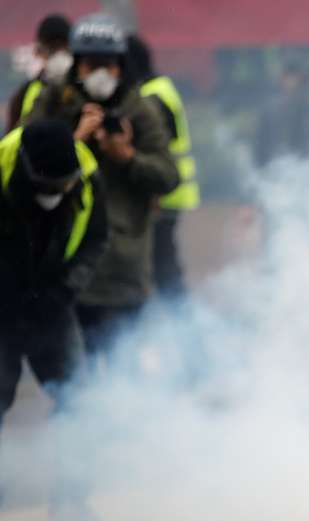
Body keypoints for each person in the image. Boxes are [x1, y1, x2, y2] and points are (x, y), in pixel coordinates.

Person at [26, 13, 179, 362]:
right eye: (92, 64)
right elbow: (22, 161)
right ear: (77, 65)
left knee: (120, 372)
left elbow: (168, 176)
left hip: (123, 270)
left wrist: (127, 157)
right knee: (72, 378)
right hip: (64, 273)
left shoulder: (138, 109)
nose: (100, 74)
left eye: (108, 65)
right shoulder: (52, 104)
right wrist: (72, 141)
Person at [0, 120, 107, 426]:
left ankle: (77, 468)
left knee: (78, 396)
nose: (58, 192)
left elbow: (96, 239)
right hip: (3, 309)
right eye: (50, 187)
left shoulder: (86, 176)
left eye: (65, 185)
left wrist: (63, 290)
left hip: (53, 302)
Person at [127, 34, 198, 299]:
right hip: (171, 193)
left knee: (163, 266)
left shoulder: (152, 97)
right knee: (164, 263)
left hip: (164, 195)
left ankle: (181, 321)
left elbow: (156, 151)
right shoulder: (161, 89)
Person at [253, 57, 309, 167]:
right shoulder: (271, 113)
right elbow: (261, 151)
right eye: (290, 78)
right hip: (278, 175)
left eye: (300, 80)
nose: (293, 84)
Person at [5, 14, 72, 133]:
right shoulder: (25, 93)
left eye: (64, 47)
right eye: (53, 48)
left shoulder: (84, 88)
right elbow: (13, 140)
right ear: (39, 52)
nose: (59, 55)